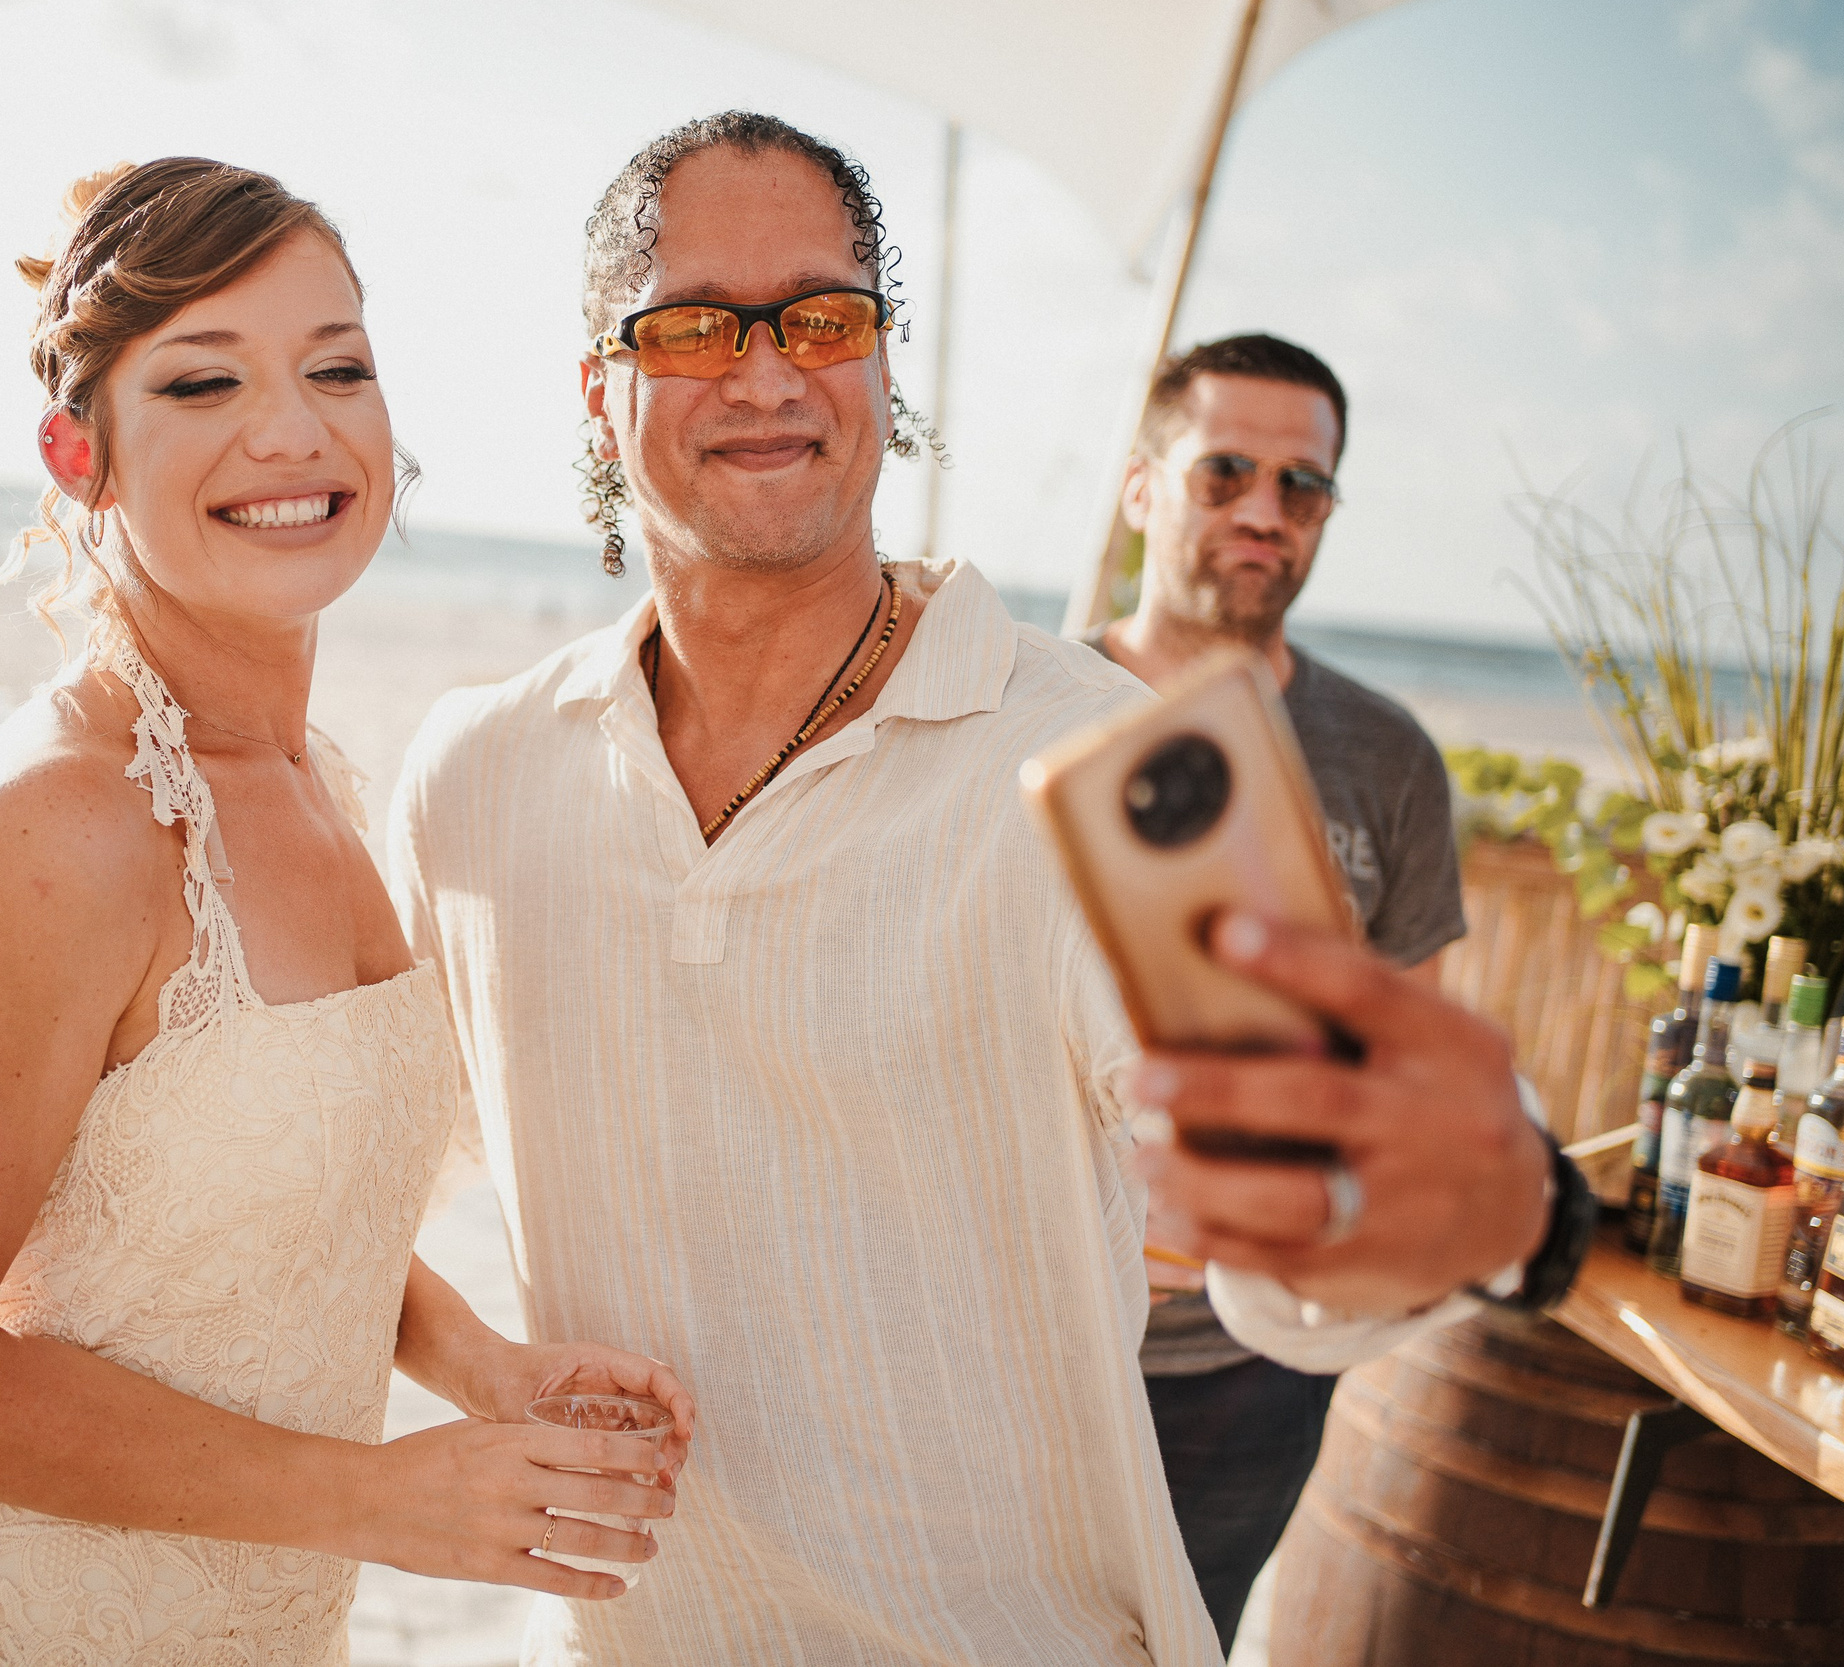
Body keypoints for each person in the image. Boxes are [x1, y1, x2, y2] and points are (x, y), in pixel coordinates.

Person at [389, 112, 1585, 1666]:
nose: (766, 376)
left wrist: (1470, 1204)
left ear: (888, 366)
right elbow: (337, 1201)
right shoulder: (473, 775)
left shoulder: (1113, 765)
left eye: (824, 318)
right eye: (694, 327)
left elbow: (1300, 1271)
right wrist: (484, 1373)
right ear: (600, 389)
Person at [0, 158, 692, 1664]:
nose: (295, 429)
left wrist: (482, 1368)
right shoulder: (61, 823)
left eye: (337, 366)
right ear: (76, 456)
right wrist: (377, 1502)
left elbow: (246, 1206)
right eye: (204, 383)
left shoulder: (312, 780)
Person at [1088, 333, 1468, 1649]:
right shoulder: (1022, 715)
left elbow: (1406, 1060)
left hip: (1242, 1365)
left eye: (1303, 486)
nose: (1265, 509)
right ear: (1144, 488)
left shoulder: (1389, 759)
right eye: (1227, 471)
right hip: (1017, 1319)